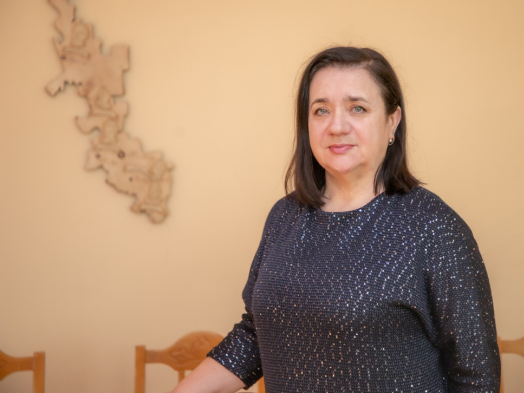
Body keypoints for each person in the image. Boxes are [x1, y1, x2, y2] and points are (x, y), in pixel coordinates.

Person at [171, 47, 500, 393]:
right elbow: (257, 335)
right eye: (321, 110)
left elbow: (476, 377)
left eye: (357, 108)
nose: (336, 126)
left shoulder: (433, 227)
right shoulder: (284, 217)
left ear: (392, 121)